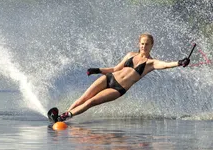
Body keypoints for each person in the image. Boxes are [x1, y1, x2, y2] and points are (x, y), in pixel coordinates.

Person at [54, 33, 190, 122]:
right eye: (142, 43)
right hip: (109, 77)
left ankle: (66, 116)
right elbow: (114, 69)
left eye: (147, 44)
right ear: (139, 44)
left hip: (118, 88)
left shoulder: (151, 63)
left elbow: (165, 65)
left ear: (151, 45)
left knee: (91, 102)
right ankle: (62, 115)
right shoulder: (130, 55)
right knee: (84, 98)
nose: (144, 46)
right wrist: (97, 70)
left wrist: (179, 62)